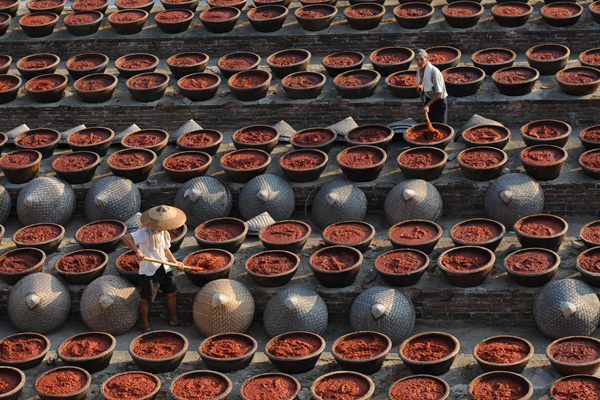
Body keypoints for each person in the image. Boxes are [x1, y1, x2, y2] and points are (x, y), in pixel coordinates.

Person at [122, 205, 190, 332]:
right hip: (149, 271)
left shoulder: (163, 231)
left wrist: (175, 262)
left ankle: (174, 320)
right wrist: (137, 251)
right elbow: (125, 237)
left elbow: (165, 249)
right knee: (147, 299)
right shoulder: (144, 232)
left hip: (164, 267)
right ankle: (146, 325)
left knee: (172, 293)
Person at [415, 48, 448, 124]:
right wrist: (421, 85)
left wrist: (427, 105)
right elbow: (422, 79)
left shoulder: (434, 72)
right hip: (429, 98)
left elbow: (439, 93)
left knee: (440, 126)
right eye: (417, 60)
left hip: (439, 101)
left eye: (421, 59)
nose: (419, 62)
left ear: (426, 59)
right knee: (430, 123)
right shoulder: (420, 69)